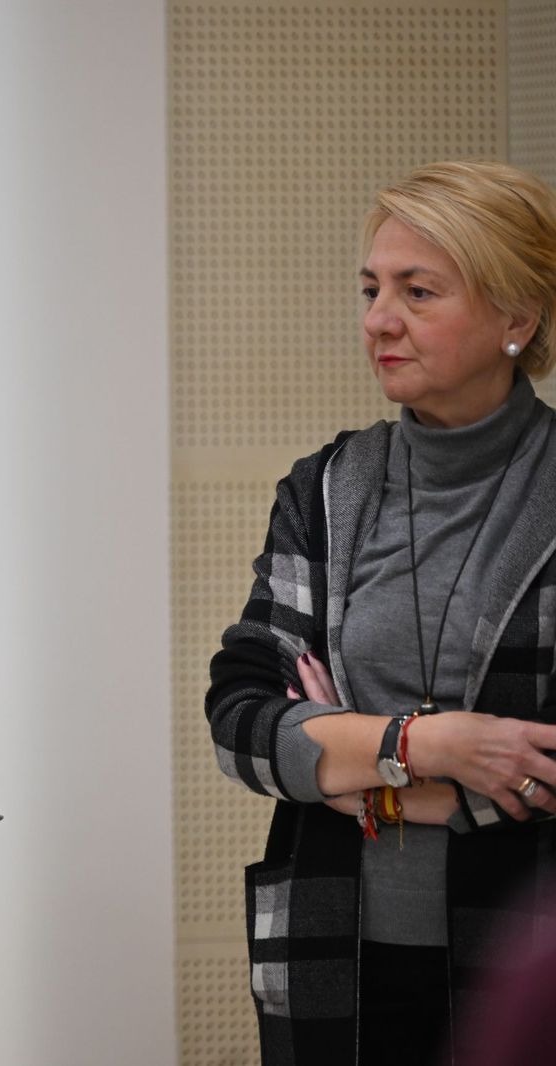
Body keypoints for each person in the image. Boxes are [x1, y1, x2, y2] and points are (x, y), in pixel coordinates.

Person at [207, 160, 556, 1066]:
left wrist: (344, 748)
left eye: (418, 291)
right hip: (334, 957)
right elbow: (240, 719)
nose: (378, 320)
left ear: (517, 319)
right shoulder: (325, 488)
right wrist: (425, 752)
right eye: (371, 288)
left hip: (527, 965)